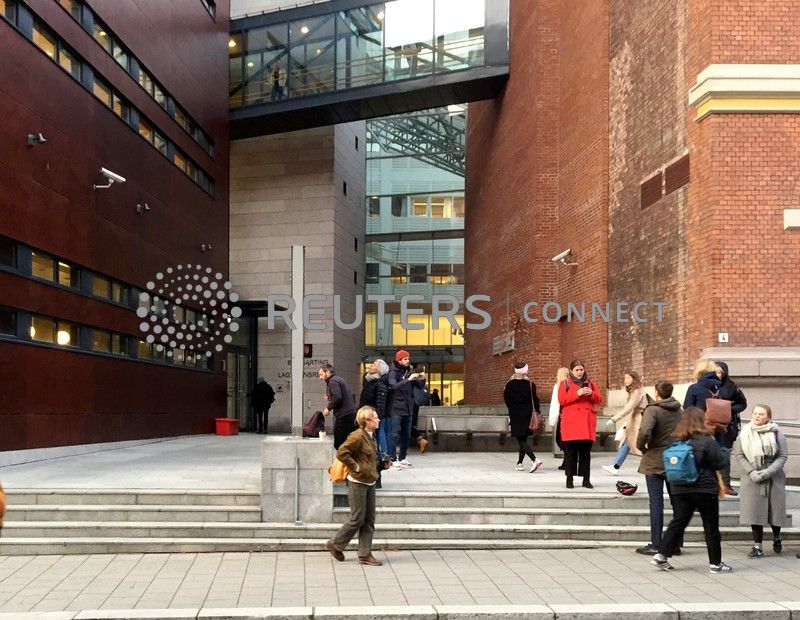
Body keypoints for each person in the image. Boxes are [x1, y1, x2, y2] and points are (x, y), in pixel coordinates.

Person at [650, 407, 732, 573]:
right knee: (711, 526)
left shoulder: (674, 441)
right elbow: (720, 462)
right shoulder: (706, 441)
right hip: (704, 488)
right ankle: (715, 564)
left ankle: (661, 555)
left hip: (679, 487)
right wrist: (724, 448)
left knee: (678, 522)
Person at [325, 406, 389, 566]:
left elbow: (369, 461)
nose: (378, 419)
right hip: (357, 482)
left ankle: (365, 555)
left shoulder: (371, 437)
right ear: (367, 421)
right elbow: (342, 452)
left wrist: (382, 466)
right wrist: (356, 467)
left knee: (369, 520)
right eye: (375, 417)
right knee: (357, 518)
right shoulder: (357, 436)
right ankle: (335, 543)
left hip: (370, 481)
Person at [732, 404, 788, 558]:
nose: (757, 416)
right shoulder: (744, 433)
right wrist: (752, 472)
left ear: (768, 417)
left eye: (761, 414)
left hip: (774, 476)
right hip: (752, 477)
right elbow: (739, 455)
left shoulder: (777, 433)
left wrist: (768, 472)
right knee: (754, 511)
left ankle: (777, 537)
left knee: (774, 511)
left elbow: (782, 456)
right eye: (755, 413)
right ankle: (758, 546)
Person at [635, 379, 684, 555]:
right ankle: (675, 544)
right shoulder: (679, 410)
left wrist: (641, 446)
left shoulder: (653, 410)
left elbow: (644, 432)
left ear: (657, 392)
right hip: (675, 460)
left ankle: (656, 543)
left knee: (656, 502)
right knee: (677, 502)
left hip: (655, 459)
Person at [558, 359, 603, 489]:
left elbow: (599, 399)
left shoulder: (591, 383)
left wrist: (591, 394)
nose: (579, 372)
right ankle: (569, 479)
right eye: (577, 370)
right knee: (570, 453)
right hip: (571, 423)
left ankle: (586, 480)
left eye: (581, 369)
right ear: (571, 370)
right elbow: (562, 400)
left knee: (585, 454)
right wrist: (577, 393)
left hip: (586, 423)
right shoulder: (565, 383)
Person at [602, 371, 649, 475]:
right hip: (634, 420)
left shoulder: (637, 391)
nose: (625, 380)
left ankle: (653, 466)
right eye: (625, 378)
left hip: (638, 421)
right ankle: (615, 466)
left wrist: (614, 419)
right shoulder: (635, 391)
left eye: (628, 378)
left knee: (640, 445)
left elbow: (629, 408)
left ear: (634, 379)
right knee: (626, 443)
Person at [386, 350, 426, 469]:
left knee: (406, 435)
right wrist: (408, 379)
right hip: (396, 408)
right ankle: (393, 459)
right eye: (405, 359)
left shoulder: (410, 371)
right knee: (394, 435)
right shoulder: (393, 372)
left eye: (408, 358)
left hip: (408, 408)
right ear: (399, 360)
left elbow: (419, 386)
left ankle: (402, 458)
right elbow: (393, 386)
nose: (407, 361)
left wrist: (422, 379)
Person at [503, 362, 543, 473]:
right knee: (523, 438)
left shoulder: (509, 384)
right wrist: (538, 412)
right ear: (525, 371)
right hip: (528, 414)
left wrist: (512, 409)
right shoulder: (530, 384)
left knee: (520, 439)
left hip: (516, 414)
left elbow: (507, 399)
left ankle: (534, 459)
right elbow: (535, 399)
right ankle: (519, 463)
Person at [716, 361, 748, 496]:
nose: (717, 374)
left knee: (724, 454)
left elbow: (742, 404)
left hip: (727, 425)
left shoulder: (731, 387)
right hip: (709, 425)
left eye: (720, 372)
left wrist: (728, 408)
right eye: (715, 371)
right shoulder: (706, 385)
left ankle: (725, 484)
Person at [318, 363, 357, 449]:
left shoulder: (333, 381)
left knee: (339, 444)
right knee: (347, 443)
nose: (320, 377)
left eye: (321, 374)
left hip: (344, 416)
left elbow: (338, 397)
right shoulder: (338, 379)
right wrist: (331, 398)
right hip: (349, 414)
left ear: (327, 372)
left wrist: (328, 408)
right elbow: (339, 396)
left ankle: (343, 457)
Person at [359, 359, 391, 459]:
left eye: (373, 365)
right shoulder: (369, 380)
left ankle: (384, 455)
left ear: (379, 370)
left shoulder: (380, 385)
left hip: (374, 415)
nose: (370, 366)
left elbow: (380, 404)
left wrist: (377, 418)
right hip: (366, 414)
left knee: (379, 433)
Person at [548, 367, 569, 470]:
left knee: (561, 439)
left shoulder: (558, 386)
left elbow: (555, 403)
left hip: (563, 414)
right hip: (568, 414)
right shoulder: (569, 385)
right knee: (565, 439)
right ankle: (567, 460)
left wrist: (552, 419)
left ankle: (567, 461)